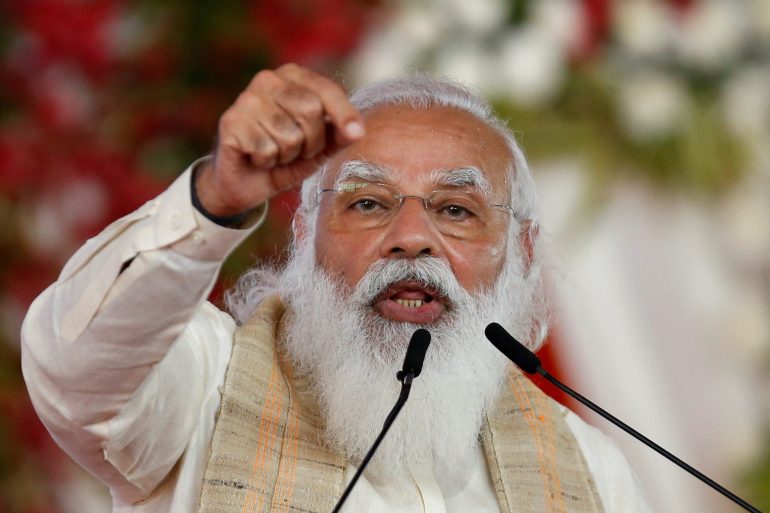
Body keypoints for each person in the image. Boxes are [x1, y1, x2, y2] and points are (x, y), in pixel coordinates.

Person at [21, 64, 653, 513]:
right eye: (369, 203)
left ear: (521, 251)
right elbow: (76, 368)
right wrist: (214, 199)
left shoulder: (587, 471)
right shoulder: (201, 387)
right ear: (306, 231)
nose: (412, 237)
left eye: (456, 210)